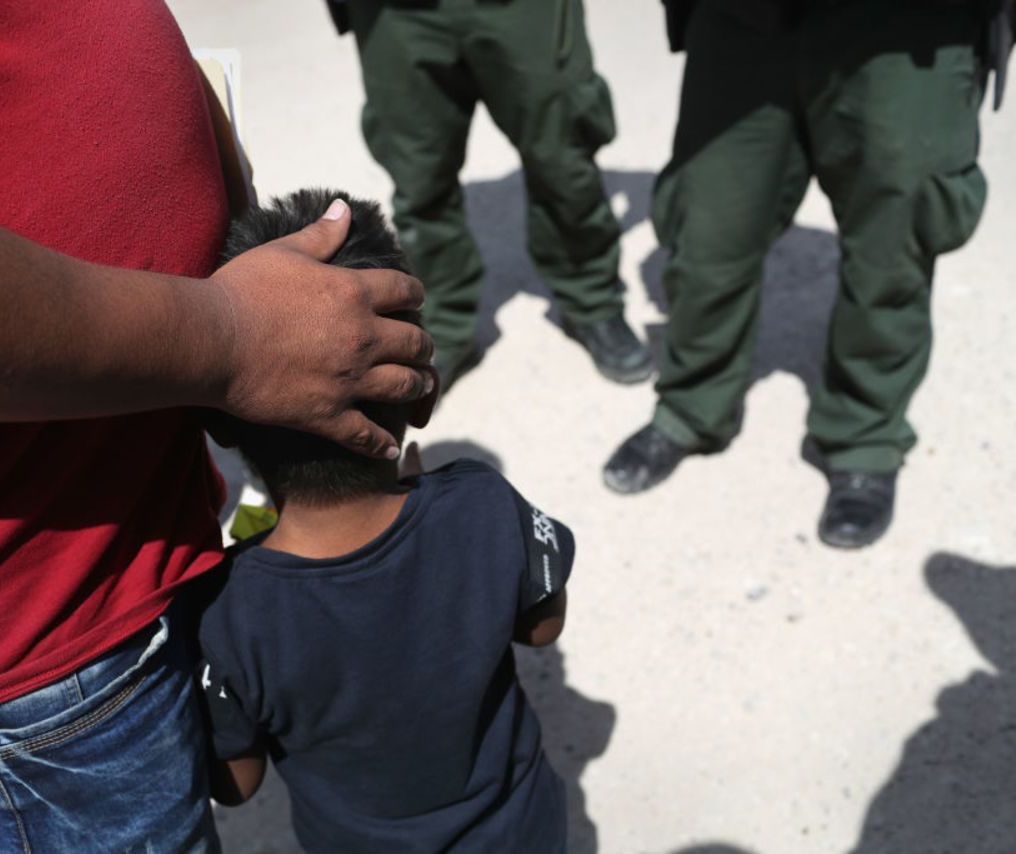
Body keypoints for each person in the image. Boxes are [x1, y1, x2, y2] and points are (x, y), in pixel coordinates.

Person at [0, 2, 433, 850]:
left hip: (119, 509)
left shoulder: (252, 607)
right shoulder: (468, 515)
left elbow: (236, 773)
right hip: (2, 616)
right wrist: (229, 337)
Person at [196, 188, 576, 852]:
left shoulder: (229, 611)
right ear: (420, 394)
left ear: (223, 429)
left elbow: (236, 783)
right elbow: (543, 628)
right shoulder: (483, 506)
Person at [604, 0, 998, 549]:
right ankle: (693, 407)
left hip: (909, 29)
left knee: (893, 248)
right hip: (744, 20)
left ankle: (864, 437)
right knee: (708, 229)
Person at [329, 0, 654, 390]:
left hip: (521, 10)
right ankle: (445, 326)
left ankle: (591, 299)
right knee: (419, 179)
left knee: (563, 159)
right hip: (393, 12)